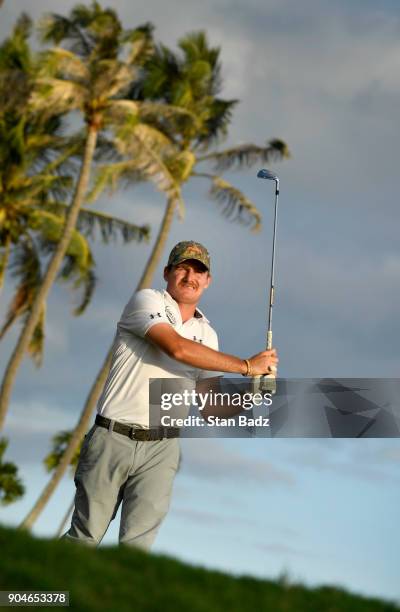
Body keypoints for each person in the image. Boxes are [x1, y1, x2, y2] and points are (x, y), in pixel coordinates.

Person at [62, 241, 278, 549]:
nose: (190, 276)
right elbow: (175, 347)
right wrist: (246, 366)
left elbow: (211, 408)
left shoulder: (207, 333)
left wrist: (254, 391)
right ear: (167, 272)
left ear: (207, 281)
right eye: (183, 268)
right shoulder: (147, 301)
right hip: (113, 436)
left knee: (135, 552)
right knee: (84, 539)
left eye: (199, 271)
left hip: (162, 449)